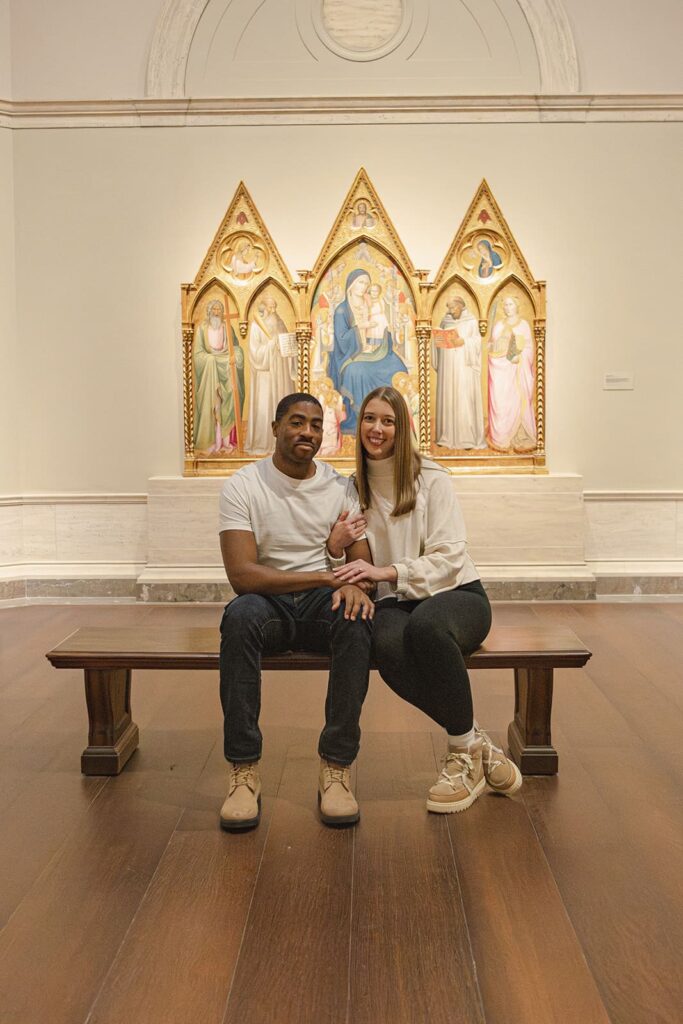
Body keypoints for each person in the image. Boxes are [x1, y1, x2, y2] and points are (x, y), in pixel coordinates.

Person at [331, 385, 522, 813]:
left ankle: (459, 757)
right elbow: (348, 556)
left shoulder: (431, 478)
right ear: (357, 424)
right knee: (385, 645)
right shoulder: (350, 488)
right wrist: (336, 545)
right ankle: (476, 745)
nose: (376, 429)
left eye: (388, 421)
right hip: (395, 600)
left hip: (458, 595)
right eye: (369, 418)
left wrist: (389, 572)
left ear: (403, 428)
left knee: (427, 627)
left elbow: (451, 556)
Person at [218, 393, 374, 832]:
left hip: (320, 604)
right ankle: (243, 771)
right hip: (268, 604)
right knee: (240, 616)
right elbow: (243, 576)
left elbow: (361, 560)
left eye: (316, 425)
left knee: (356, 619)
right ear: (275, 427)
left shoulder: (341, 487)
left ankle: (336, 769)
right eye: (297, 422)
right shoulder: (243, 485)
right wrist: (328, 577)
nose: (307, 432)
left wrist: (360, 587)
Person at [327, 269, 408, 435]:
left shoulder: (371, 303)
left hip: (377, 349)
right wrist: (361, 328)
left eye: (366, 283)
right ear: (351, 285)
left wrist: (386, 333)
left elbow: (383, 325)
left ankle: (391, 421)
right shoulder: (342, 310)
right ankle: (359, 419)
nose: (363, 287)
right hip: (351, 355)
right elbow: (341, 339)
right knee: (357, 371)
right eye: (360, 282)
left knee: (397, 367)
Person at [245, 296, 297, 454]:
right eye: (271, 307)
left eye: (275, 307)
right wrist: (270, 345)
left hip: (281, 372)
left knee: (281, 403)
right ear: (263, 308)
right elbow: (255, 352)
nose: (274, 310)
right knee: (265, 405)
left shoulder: (279, 322)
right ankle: (262, 443)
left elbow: (289, 347)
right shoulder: (256, 326)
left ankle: (283, 444)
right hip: (265, 375)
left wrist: (289, 344)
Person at [434, 297, 486, 450]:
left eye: (453, 308)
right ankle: (446, 437)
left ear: (461, 307)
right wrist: (437, 340)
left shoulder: (471, 321)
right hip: (448, 367)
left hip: (465, 368)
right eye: (449, 308)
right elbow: (438, 342)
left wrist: (464, 342)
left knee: (464, 399)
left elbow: (477, 341)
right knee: (448, 397)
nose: (450, 311)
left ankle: (467, 439)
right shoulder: (445, 321)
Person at [193, 299, 244, 453]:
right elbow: (197, 353)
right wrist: (210, 360)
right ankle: (212, 442)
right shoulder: (202, 328)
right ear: (209, 311)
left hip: (226, 366)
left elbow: (236, 347)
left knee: (228, 402)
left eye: (219, 309)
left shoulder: (227, 327)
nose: (217, 312)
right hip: (210, 369)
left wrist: (236, 355)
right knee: (214, 404)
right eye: (214, 309)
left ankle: (227, 442)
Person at [487, 296, 536, 451]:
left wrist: (519, 356)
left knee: (516, 400)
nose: (507, 307)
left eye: (510, 304)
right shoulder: (498, 325)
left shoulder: (523, 325)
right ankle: (500, 436)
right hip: (499, 370)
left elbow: (528, 348)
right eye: (505, 305)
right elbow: (492, 346)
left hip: (516, 370)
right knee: (501, 400)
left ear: (517, 306)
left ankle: (519, 435)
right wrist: (494, 347)